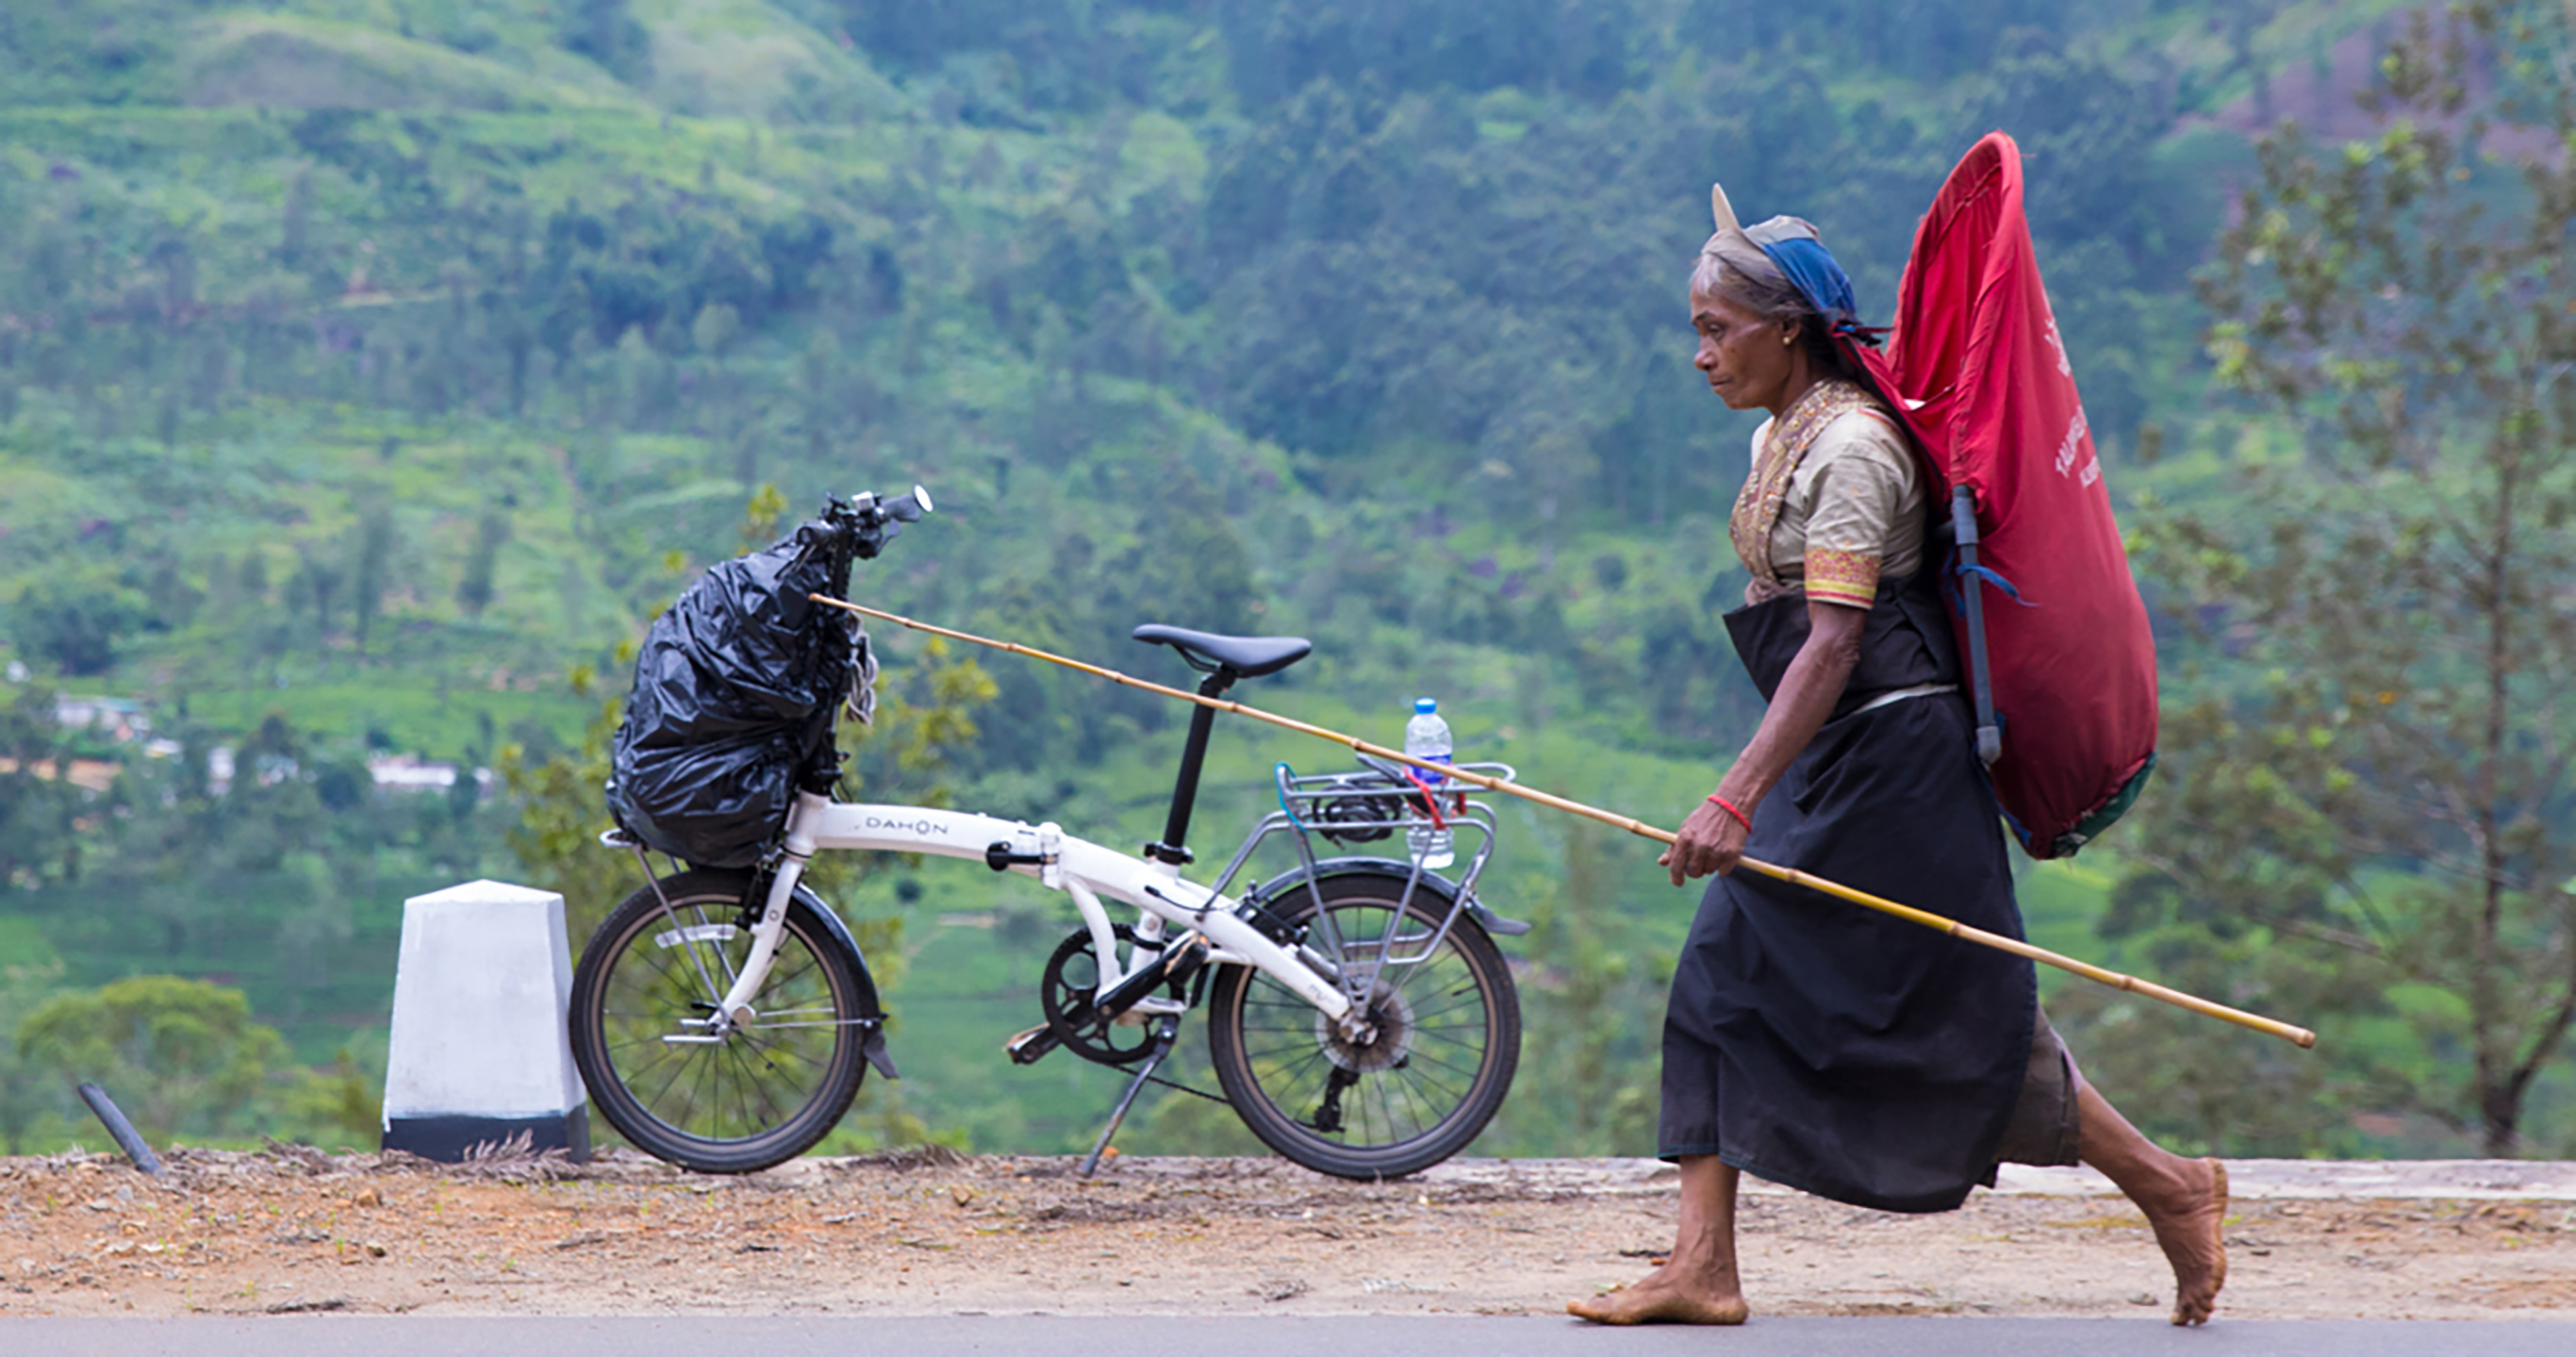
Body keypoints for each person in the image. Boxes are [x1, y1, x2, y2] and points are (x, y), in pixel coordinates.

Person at [1567, 186, 2229, 1329]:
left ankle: (2168, 1183)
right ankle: (1704, 1264)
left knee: (1913, 1007)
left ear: (1788, 329)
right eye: (1695, 329)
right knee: (1845, 998)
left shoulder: (1855, 450)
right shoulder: (1781, 432)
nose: (1700, 353)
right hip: (1837, 754)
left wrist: (1733, 795)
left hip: (1893, 763)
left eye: (1717, 328)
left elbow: (1830, 643)